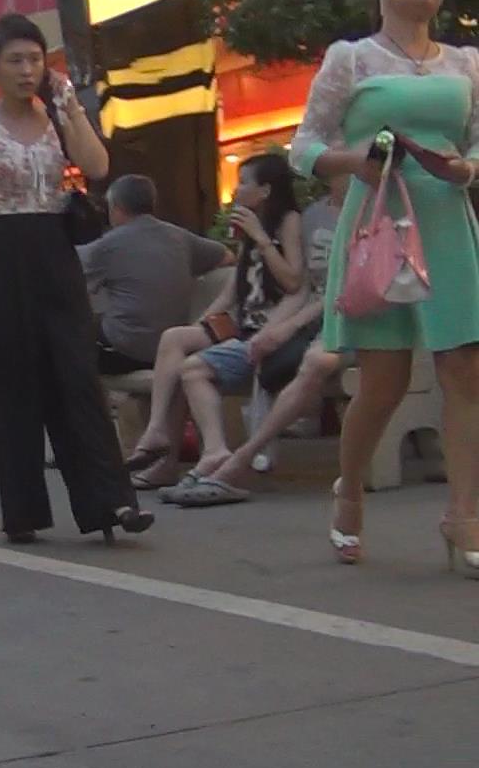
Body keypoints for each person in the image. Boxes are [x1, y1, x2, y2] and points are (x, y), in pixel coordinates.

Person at [290, 0, 479, 572]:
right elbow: (304, 147)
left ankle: (464, 516)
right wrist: (356, 163)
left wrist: (466, 168)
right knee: (383, 381)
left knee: (466, 370)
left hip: (447, 222)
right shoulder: (351, 59)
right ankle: (348, 487)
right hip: (380, 225)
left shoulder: (466, 64)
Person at [0, 13, 152, 544]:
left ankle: (112, 503)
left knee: (78, 374)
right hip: (4, 251)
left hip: (55, 251)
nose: (26, 69)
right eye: (14, 60)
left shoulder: (57, 115)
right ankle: (23, 510)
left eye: (35, 59)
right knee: (12, 380)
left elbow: (97, 167)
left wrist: (70, 106)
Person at [167, 173, 352, 505]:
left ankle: (240, 461)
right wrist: (275, 330)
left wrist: (284, 327)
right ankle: (211, 454)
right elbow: (305, 288)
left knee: (314, 361)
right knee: (193, 367)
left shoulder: (367, 211)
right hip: (284, 326)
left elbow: (328, 288)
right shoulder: (313, 215)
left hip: (343, 324)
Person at [130, 154, 306, 489]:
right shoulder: (249, 224)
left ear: (266, 190)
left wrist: (261, 239)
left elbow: (294, 282)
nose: (236, 190)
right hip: (240, 324)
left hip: (265, 329)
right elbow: (234, 287)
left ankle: (175, 458)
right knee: (174, 339)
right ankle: (156, 431)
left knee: (189, 368)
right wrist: (205, 320)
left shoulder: (287, 221)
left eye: (243, 182)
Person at [77, 174, 231, 375]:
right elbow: (228, 256)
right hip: (175, 348)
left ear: (115, 207)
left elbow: (66, 279)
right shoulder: (180, 236)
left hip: (126, 352)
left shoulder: (104, 246)